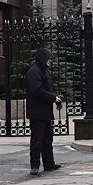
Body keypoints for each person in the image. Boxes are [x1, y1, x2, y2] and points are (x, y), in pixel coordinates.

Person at [26, 47, 62, 176]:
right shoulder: (34, 71)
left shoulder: (43, 71)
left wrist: (54, 97)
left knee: (47, 139)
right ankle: (35, 166)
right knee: (37, 140)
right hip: (37, 112)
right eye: (48, 59)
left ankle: (49, 164)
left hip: (45, 112)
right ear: (43, 58)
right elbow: (37, 90)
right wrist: (53, 98)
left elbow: (46, 88)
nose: (50, 61)